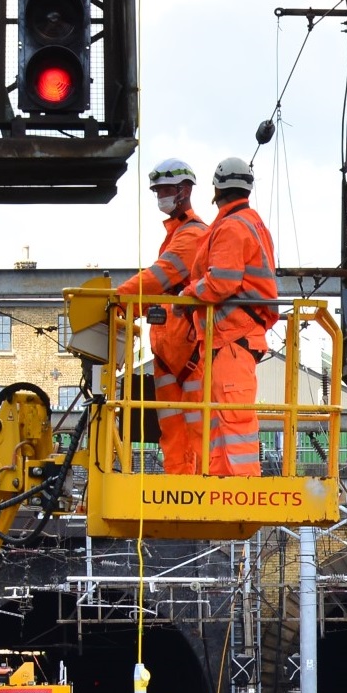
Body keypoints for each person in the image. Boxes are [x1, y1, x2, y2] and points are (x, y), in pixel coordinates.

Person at [178, 158, 278, 477]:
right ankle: (221, 483)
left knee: (233, 419)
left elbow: (221, 281)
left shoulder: (233, 226)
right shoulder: (250, 222)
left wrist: (188, 295)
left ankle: (240, 488)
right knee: (222, 419)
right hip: (231, 340)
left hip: (233, 336)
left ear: (216, 190)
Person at [118, 160, 210, 474]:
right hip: (169, 351)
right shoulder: (176, 235)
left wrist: (117, 301)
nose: (160, 196)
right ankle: (178, 486)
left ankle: (198, 489)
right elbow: (162, 290)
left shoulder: (193, 235)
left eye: (165, 190)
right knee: (172, 432)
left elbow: (159, 277)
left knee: (196, 429)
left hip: (190, 350)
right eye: (157, 190)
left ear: (184, 191)